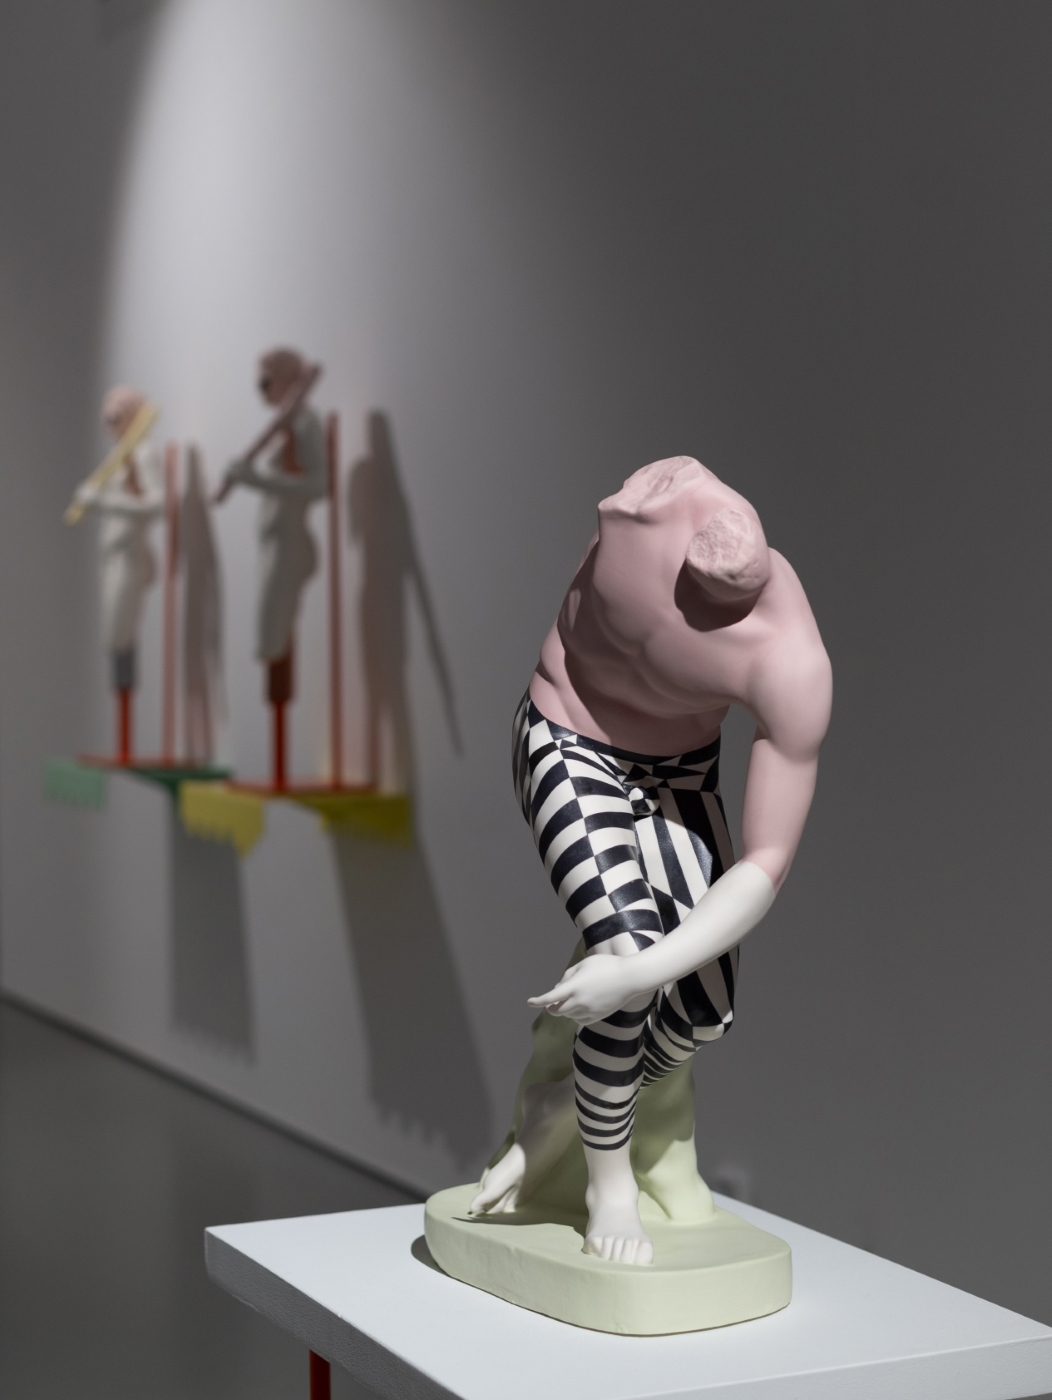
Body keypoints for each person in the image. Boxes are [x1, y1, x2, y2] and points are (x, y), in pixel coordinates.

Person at [471, 455, 832, 1264]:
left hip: (679, 771)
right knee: (626, 951)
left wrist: (646, 972)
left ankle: (566, 1109)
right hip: (565, 733)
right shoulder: (645, 503)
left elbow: (767, 860)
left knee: (704, 1004)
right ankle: (610, 1189)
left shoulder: (790, 662)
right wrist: (632, 968)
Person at [219, 348, 326, 782]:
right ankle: (274, 757)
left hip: (290, 543)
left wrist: (256, 479)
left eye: (265, 380)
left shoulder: (305, 422)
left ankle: (282, 762)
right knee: (267, 639)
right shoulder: (286, 422)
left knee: (274, 635)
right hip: (272, 541)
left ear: (285, 378)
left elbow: (319, 485)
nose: (260, 389)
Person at [74, 385, 164, 758]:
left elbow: (157, 504)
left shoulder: (144, 455)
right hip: (111, 556)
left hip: (130, 556)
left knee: (119, 635)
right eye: (109, 409)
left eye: (121, 409)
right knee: (113, 639)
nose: (112, 416)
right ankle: (121, 730)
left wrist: (104, 501)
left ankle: (128, 732)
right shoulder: (119, 457)